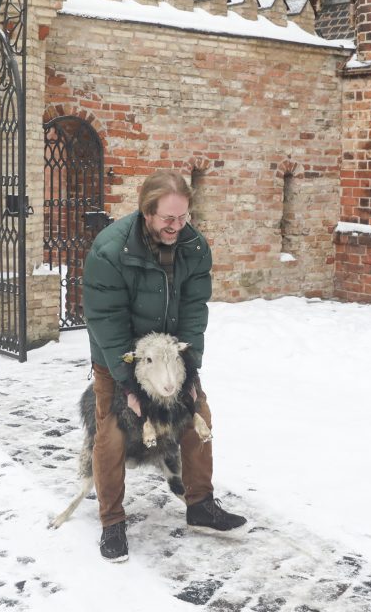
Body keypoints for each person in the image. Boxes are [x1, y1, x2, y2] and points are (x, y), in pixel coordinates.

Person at [81, 169, 246, 563]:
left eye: (183, 217)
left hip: (171, 355)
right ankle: (112, 521)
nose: (177, 226)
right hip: (117, 354)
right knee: (113, 431)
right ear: (147, 213)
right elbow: (106, 321)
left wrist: (189, 371)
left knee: (198, 415)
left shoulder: (193, 247)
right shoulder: (110, 251)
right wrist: (129, 386)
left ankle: (200, 505)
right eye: (168, 219)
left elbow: (193, 311)